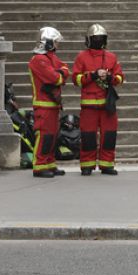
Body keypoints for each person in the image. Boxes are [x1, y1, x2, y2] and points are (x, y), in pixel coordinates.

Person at [73, 24, 124, 176]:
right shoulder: (82, 57)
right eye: (95, 38)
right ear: (89, 40)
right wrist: (93, 75)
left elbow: (120, 78)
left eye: (100, 38)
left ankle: (107, 165)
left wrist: (110, 77)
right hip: (89, 106)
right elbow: (76, 79)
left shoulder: (111, 57)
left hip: (107, 105)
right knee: (88, 136)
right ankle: (87, 165)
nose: (98, 40)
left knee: (109, 136)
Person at [28, 26, 70, 177]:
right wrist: (60, 74)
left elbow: (65, 69)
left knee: (52, 136)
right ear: (48, 42)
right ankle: (39, 166)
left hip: (53, 105)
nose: (57, 46)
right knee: (44, 136)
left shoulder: (51, 58)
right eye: (56, 42)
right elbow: (56, 78)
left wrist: (61, 73)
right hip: (43, 105)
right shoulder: (38, 60)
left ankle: (49, 163)